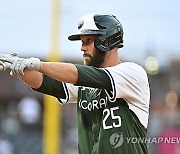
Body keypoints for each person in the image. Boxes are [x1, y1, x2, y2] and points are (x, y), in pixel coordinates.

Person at [0, 13, 150, 154]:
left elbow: (78, 74)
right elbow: (45, 83)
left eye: (89, 41)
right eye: (82, 42)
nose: (82, 47)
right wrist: (16, 64)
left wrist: (37, 64)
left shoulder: (133, 73)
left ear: (107, 40)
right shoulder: (86, 85)